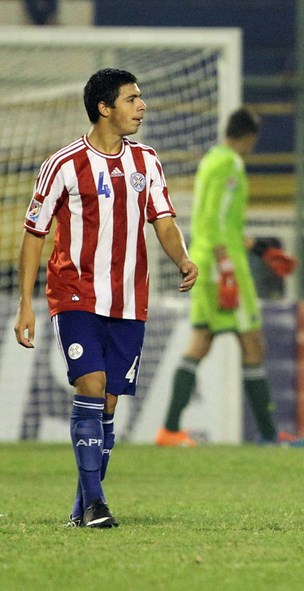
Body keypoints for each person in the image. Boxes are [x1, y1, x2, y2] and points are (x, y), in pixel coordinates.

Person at [14, 68, 198, 528]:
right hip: (74, 292)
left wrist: (183, 259)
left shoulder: (147, 162)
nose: (142, 106)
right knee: (91, 385)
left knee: (110, 403)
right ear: (104, 107)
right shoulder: (63, 163)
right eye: (132, 98)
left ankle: (83, 508)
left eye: (141, 98)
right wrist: (24, 304)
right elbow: (35, 234)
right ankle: (96, 505)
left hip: (129, 299)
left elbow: (164, 221)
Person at [155, 106, 304, 448]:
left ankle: (169, 429)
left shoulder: (211, 160)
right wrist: (226, 266)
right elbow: (216, 218)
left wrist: (259, 250)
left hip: (206, 259)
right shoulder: (231, 165)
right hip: (223, 265)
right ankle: (269, 435)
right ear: (250, 138)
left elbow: (217, 220)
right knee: (252, 342)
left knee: (202, 341)